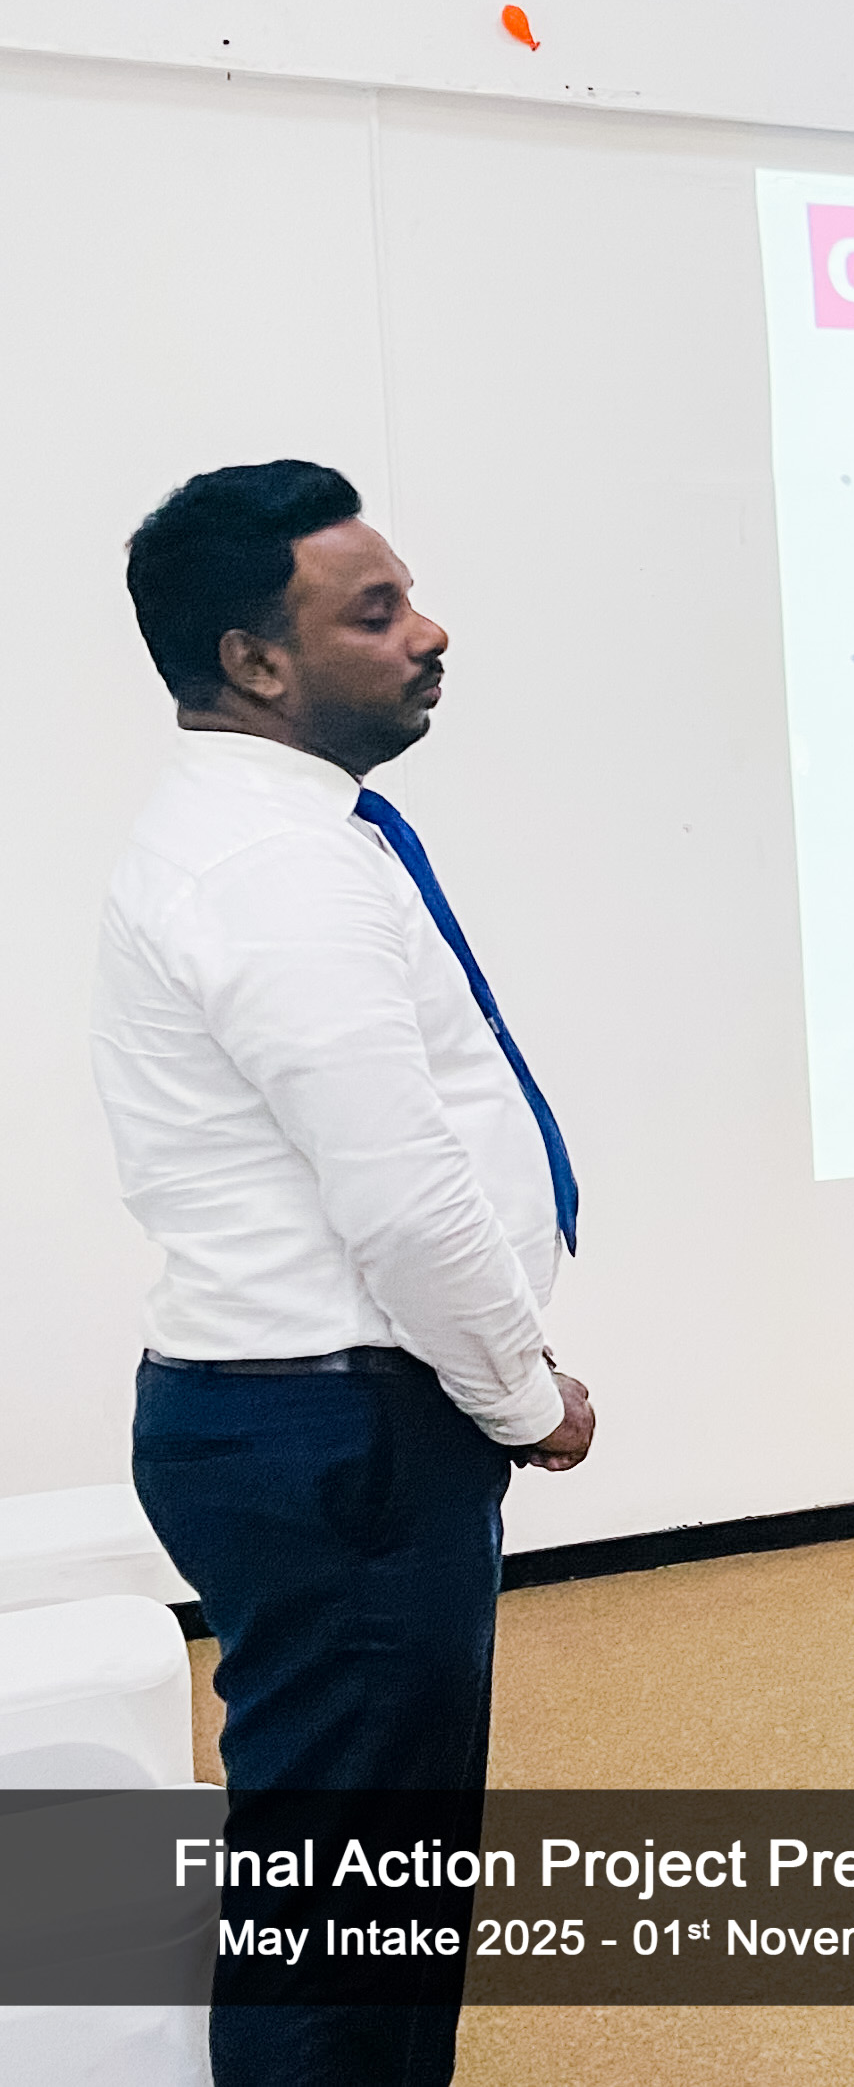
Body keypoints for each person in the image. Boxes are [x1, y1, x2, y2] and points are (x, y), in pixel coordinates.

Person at [95, 460, 596, 2086]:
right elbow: (398, 1189)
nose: (428, 632)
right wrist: (520, 1392)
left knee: (359, 1899)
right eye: (374, 613)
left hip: (309, 1426)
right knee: (345, 1926)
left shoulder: (277, 833)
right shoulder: (276, 869)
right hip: (343, 1436)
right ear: (255, 660)